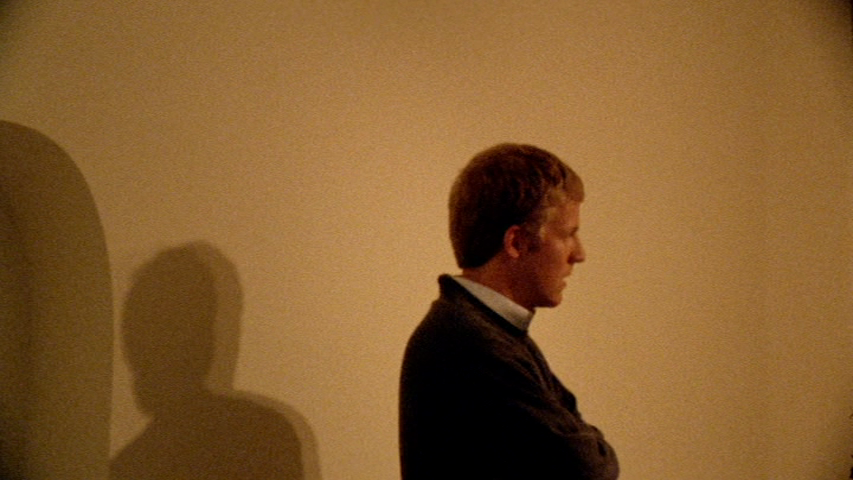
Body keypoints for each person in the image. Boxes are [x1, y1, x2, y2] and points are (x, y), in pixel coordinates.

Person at [399, 143, 619, 479]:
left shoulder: (487, 331)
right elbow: (589, 467)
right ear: (516, 242)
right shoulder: (470, 344)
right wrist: (591, 445)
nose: (579, 254)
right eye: (568, 235)